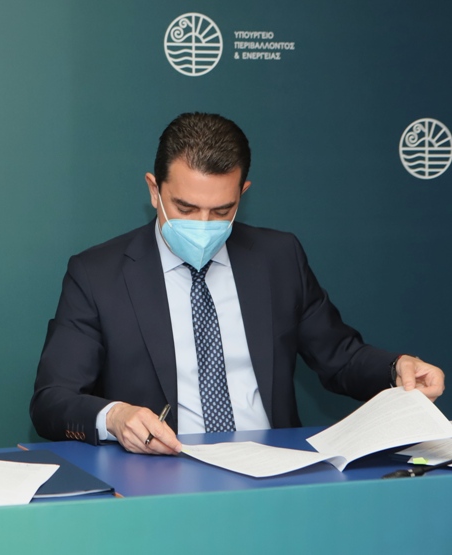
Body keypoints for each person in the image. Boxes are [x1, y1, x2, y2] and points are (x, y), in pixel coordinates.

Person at [30, 112, 444, 456]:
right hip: (160, 475)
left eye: (221, 210)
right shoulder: (98, 274)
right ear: (155, 190)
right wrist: (115, 417)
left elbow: (341, 358)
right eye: (185, 208)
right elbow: (52, 400)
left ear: (242, 194)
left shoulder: (278, 257)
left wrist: (396, 368)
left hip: (277, 470)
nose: (203, 224)